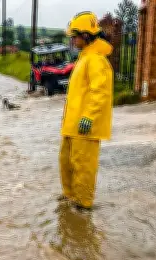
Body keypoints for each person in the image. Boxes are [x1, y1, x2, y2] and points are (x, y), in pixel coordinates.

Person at [59, 11, 113, 210]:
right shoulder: (84, 58)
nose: (72, 40)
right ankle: (70, 198)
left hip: (84, 126)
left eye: (74, 36)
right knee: (66, 163)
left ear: (86, 35)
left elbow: (99, 92)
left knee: (83, 166)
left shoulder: (96, 60)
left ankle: (83, 205)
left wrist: (89, 116)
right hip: (72, 125)